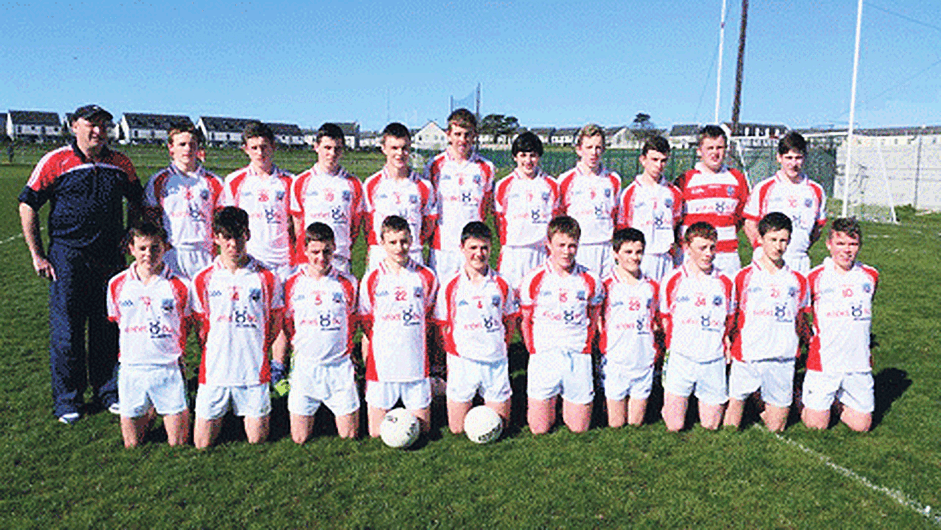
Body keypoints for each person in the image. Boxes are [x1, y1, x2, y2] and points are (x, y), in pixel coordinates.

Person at [18, 104, 143, 424]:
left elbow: (137, 199)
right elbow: (27, 203)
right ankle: (68, 399)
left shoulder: (120, 162)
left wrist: (131, 232)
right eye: (91, 125)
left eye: (103, 125)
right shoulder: (56, 160)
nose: (98, 131)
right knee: (68, 331)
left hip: (109, 258)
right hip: (68, 256)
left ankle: (108, 391)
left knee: (107, 327)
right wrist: (38, 253)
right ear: (74, 126)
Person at [191, 207, 283, 448]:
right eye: (226, 237)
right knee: (201, 444)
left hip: (253, 372)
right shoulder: (202, 279)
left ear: (248, 235)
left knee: (257, 440)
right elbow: (200, 327)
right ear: (216, 237)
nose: (233, 244)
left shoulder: (267, 277)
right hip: (215, 372)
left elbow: (275, 322)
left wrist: (259, 347)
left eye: (239, 236)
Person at [221, 121, 294, 388]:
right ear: (245, 149)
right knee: (250, 313)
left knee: (282, 315)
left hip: (283, 259)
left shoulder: (289, 181)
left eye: (264, 146)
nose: (260, 152)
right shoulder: (235, 181)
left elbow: (296, 223)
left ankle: (278, 367)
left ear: (273, 147)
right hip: (251, 259)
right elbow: (228, 224)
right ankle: (250, 362)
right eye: (254, 147)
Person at [106, 223, 191, 447]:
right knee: (132, 445)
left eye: (155, 247)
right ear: (131, 249)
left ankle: (161, 408)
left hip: (167, 369)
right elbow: (117, 321)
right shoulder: (116, 284)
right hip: (131, 369)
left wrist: (176, 352)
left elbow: (188, 324)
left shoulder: (181, 285)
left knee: (178, 444)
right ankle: (147, 410)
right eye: (142, 248)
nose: (148, 254)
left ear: (165, 248)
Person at [724, 213, 809, 432]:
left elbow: (800, 319)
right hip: (749, 356)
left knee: (776, 427)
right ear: (760, 239)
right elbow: (732, 318)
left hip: (782, 358)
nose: (778, 246)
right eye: (773, 239)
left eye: (783, 240)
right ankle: (752, 392)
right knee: (731, 424)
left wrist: (798, 347)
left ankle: (770, 393)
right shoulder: (743, 277)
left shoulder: (798, 280)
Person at [520, 216, 604, 434]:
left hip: (577, 355)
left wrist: (586, 348)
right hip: (544, 355)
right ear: (548, 244)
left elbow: (594, 318)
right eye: (561, 245)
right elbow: (526, 321)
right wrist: (534, 351)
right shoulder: (534, 278)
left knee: (579, 429)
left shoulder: (590, 279)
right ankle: (550, 404)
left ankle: (565, 402)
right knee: (539, 429)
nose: (567, 251)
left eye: (572, 245)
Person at [434, 221, 518, 434]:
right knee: (457, 430)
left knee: (501, 426)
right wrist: (454, 355)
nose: (479, 254)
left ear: (491, 248)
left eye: (484, 248)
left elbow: (509, 321)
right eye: (473, 248)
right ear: (462, 248)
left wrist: (499, 348)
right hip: (463, 363)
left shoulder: (502, 283)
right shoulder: (451, 286)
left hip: (495, 363)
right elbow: (442, 326)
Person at [359, 215, 439, 437]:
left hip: (415, 367)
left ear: (412, 240)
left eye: (404, 241)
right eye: (393, 242)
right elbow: (365, 320)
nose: (399, 248)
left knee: (423, 431)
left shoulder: (426, 277)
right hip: (382, 368)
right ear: (381, 242)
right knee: (376, 433)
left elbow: (431, 317)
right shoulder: (371, 278)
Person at [283, 222, 360, 443]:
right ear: (305, 250)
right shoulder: (291, 284)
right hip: (306, 368)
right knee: (299, 438)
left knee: (350, 435)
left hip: (339, 369)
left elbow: (353, 323)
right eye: (315, 252)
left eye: (327, 251)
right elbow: (287, 325)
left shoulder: (348, 283)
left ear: (334, 248)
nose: (321, 257)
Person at [802, 218, 879, 432]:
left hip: (858, 364)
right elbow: (801, 315)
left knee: (861, 427)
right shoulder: (814, 277)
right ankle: (801, 393)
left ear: (859, 246)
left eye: (852, 244)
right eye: (841, 243)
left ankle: (836, 400)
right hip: (825, 362)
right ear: (829, 244)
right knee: (816, 426)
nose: (846, 250)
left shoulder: (870, 276)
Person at [660, 222, 734, 431]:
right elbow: (666, 319)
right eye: (702, 248)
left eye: (712, 247)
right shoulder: (673, 279)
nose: (708, 254)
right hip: (682, 359)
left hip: (713, 360)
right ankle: (670, 403)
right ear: (687, 248)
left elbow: (729, 319)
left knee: (711, 425)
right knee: (674, 426)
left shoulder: (726, 281)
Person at [143, 123, 224, 279]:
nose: (187, 149)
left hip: (205, 253)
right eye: (182, 144)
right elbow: (150, 221)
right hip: (171, 252)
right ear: (171, 148)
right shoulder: (158, 181)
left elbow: (222, 222)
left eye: (192, 144)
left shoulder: (214, 182)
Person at [598, 228, 661, 427]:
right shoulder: (605, 284)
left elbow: (658, 321)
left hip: (642, 359)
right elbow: (596, 318)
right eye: (628, 252)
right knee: (616, 425)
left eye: (639, 252)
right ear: (616, 254)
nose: (635, 257)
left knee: (635, 424)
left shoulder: (651, 286)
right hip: (616, 361)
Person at [424, 109, 496, 280]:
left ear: (474, 136)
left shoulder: (486, 167)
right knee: (442, 300)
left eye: (467, 134)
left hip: (473, 248)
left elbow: (485, 208)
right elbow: (429, 208)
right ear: (449, 135)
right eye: (457, 134)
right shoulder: (434, 165)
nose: (462, 140)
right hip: (443, 248)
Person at [743, 132, 826, 274]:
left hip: (799, 260)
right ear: (779, 158)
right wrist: (761, 247)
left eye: (798, 158)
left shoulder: (816, 190)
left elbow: (817, 229)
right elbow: (750, 223)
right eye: (788, 158)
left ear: (805, 158)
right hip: (767, 259)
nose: (793, 164)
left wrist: (801, 246)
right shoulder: (764, 188)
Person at [674, 125, 750, 276]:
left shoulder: (737, 178)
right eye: (710, 148)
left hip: (727, 256)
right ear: (699, 151)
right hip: (693, 256)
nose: (715, 153)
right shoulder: (685, 180)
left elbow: (741, 217)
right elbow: (675, 219)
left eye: (719, 147)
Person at [290, 123, 365, 275]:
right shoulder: (301, 181)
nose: (332, 153)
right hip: (309, 261)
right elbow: (297, 225)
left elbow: (355, 227)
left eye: (337, 149)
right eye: (327, 148)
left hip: (340, 260)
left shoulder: (353, 184)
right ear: (316, 147)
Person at [363, 123, 437, 271]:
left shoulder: (424, 186)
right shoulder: (371, 184)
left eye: (404, 148)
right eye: (394, 148)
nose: (400, 153)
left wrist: (415, 243)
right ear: (384, 148)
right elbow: (367, 223)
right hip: (381, 254)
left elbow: (429, 222)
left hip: (412, 253)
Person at [493, 131, 561, 289]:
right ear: (515, 157)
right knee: (510, 299)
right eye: (523, 155)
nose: (528, 161)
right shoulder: (504, 185)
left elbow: (555, 221)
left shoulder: (551, 185)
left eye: (533, 155)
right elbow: (498, 221)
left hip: (542, 252)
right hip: (514, 253)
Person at [557, 124, 621, 279]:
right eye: (589, 147)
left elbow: (618, 217)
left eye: (598, 147)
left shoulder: (613, 180)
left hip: (606, 248)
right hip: (579, 248)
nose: (594, 152)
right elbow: (559, 219)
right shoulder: (565, 180)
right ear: (579, 149)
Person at [616, 135, 683, 281]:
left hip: (666, 258)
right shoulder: (630, 193)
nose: (659, 165)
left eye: (663, 160)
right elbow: (623, 227)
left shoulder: (674, 193)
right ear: (643, 160)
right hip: (641, 257)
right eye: (654, 159)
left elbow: (676, 223)